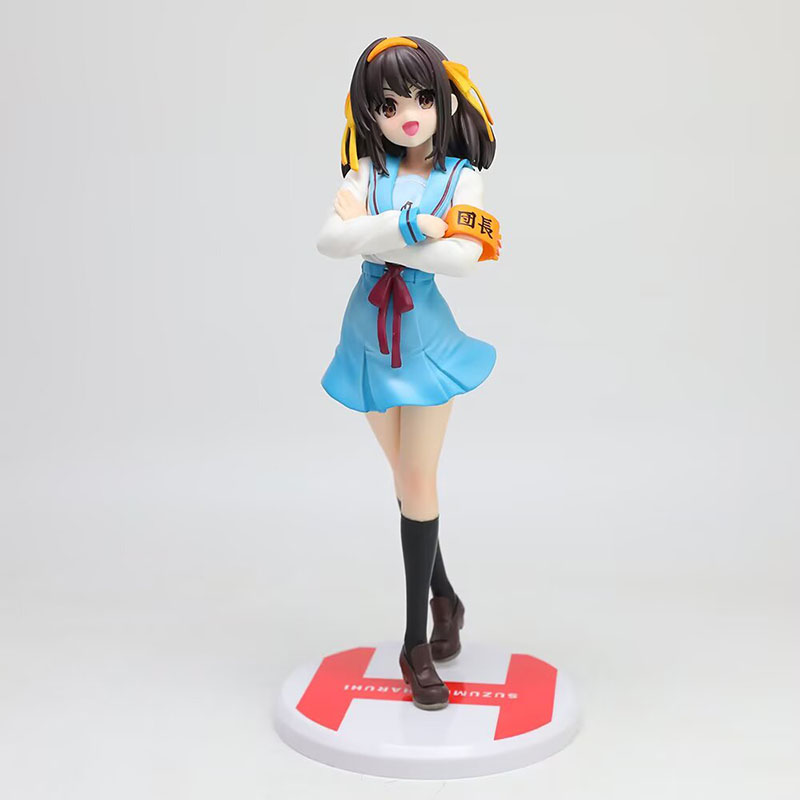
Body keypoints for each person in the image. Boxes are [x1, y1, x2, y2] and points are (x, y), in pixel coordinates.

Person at [316, 35, 501, 710]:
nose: (409, 116)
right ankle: (446, 597)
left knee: (417, 479)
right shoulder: (366, 169)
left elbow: (462, 260)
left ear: (444, 98)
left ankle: (414, 641)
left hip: (424, 337)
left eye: (422, 98)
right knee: (405, 480)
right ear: (370, 112)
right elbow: (328, 242)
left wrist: (373, 232)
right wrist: (413, 224)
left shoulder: (462, 176)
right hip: (366, 335)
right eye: (390, 105)